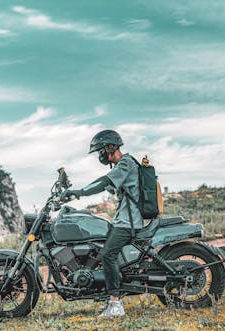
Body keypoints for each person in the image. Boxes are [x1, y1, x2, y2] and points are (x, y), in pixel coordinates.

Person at [62, 129, 143, 318]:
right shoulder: (121, 167)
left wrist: (78, 192)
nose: (100, 155)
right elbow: (104, 185)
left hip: (128, 223)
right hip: (122, 220)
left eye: (100, 151)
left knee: (108, 254)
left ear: (110, 147)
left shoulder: (125, 163)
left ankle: (115, 303)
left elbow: (102, 182)